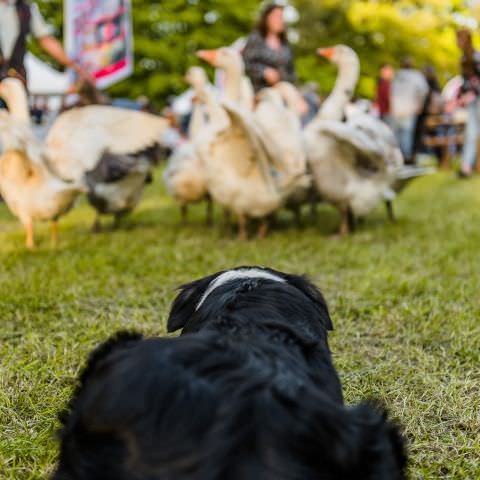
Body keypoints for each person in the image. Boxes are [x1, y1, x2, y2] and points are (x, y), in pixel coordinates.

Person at [0, 0, 89, 97]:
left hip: (15, 75)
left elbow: (46, 40)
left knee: (19, 110)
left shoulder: (26, 9)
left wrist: (76, 66)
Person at [242, 3, 296, 92]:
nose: (280, 20)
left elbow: (292, 73)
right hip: (259, 90)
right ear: (267, 18)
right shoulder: (256, 39)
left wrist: (281, 77)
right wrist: (263, 72)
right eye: (276, 16)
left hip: (282, 89)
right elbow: (245, 63)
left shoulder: (286, 45)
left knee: (309, 99)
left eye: (281, 17)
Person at [390, 57, 429, 164]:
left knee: (398, 134)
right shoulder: (416, 76)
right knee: (406, 134)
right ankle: (405, 157)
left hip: (397, 108)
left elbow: (391, 91)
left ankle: (399, 157)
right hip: (408, 108)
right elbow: (424, 91)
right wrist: (419, 104)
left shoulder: (397, 75)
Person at [455, 29, 480, 178]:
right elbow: (465, 83)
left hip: (478, 99)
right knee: (470, 133)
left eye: (459, 39)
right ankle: (466, 167)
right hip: (472, 102)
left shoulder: (476, 57)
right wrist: (461, 96)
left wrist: (474, 93)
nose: (456, 42)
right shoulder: (463, 58)